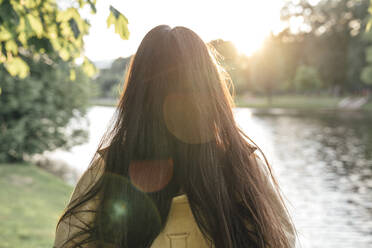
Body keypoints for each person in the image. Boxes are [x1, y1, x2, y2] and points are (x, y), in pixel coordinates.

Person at [54, 25, 297, 248]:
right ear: (210, 92)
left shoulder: (108, 169)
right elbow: (282, 240)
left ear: (139, 96)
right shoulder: (242, 166)